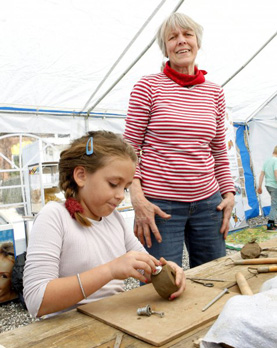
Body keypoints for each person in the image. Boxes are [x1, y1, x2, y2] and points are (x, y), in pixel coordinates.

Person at [23, 130, 186, 318]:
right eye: (113, 183)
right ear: (81, 175)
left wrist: (166, 270)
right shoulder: (54, 216)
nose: (120, 195)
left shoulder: (114, 218)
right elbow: (36, 300)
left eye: (125, 187)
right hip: (65, 329)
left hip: (112, 319)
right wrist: (110, 270)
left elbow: (145, 266)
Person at [123, 12, 235, 269]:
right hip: (160, 207)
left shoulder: (215, 92)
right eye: (172, 37)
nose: (181, 41)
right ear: (165, 48)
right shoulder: (148, 87)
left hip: (209, 204)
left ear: (198, 42)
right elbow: (128, 150)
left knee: (214, 276)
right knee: (163, 282)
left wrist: (228, 193)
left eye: (187, 34)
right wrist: (137, 199)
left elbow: (218, 150)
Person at [257, 145, 277, 230]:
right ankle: (270, 225)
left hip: (268, 185)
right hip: (274, 186)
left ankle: (272, 223)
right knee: (274, 205)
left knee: (275, 204)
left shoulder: (267, 161)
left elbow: (262, 174)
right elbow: (276, 174)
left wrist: (259, 186)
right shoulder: (276, 160)